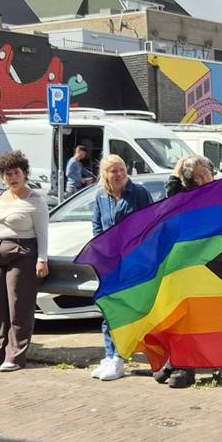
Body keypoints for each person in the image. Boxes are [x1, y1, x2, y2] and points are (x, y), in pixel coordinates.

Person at [0, 150, 49, 372]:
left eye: (16, 173)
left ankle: (15, 356)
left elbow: (43, 233)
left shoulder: (35, 199)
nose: (12, 178)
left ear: (24, 173)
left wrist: (41, 259)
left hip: (22, 253)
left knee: (19, 305)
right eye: (7, 174)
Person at [151, 154, 216, 389]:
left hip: (206, 265)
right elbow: (170, 201)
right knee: (177, 316)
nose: (203, 178)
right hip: (181, 265)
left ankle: (185, 368)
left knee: (193, 319)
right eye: (197, 176)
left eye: (205, 172)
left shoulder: (221, 194)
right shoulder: (188, 198)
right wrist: (175, 172)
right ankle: (174, 361)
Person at [90, 154, 155, 381]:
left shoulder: (139, 194)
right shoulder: (100, 197)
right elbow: (97, 227)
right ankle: (110, 355)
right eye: (113, 171)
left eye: (121, 169)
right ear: (105, 174)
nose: (118, 175)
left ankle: (120, 356)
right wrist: (103, 254)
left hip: (134, 262)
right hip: (110, 264)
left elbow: (150, 226)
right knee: (109, 309)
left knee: (127, 310)